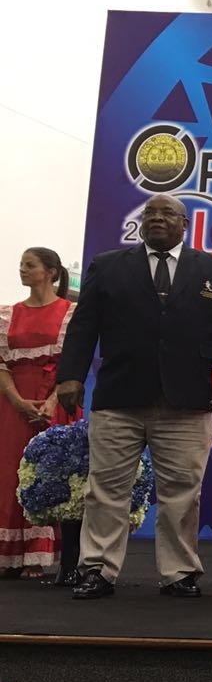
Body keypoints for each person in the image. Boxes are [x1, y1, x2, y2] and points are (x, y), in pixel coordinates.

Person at [56, 195, 212, 599]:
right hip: (120, 395)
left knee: (182, 490)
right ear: (141, 223)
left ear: (185, 223)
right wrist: (70, 375)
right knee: (106, 488)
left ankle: (179, 572)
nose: (157, 219)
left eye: (167, 214)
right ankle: (97, 570)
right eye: (150, 213)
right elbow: (83, 325)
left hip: (187, 398)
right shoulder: (107, 266)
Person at [0, 248, 75, 580]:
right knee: (9, 474)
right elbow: (2, 365)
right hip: (13, 405)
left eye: (30, 265)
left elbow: (72, 365)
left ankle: (38, 555)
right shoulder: (7, 314)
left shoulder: (69, 313)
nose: (23, 270)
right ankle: (8, 555)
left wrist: (51, 401)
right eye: (21, 266)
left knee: (48, 475)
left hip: (53, 404)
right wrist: (16, 400)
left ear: (51, 272)